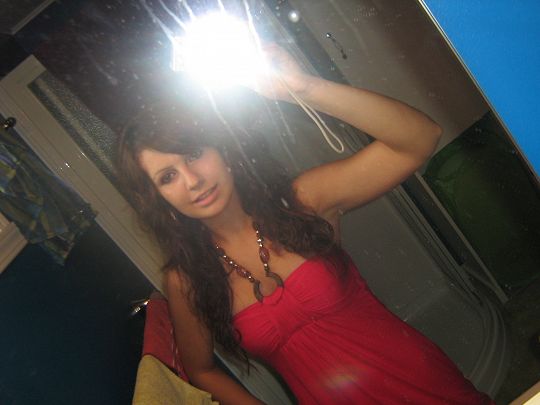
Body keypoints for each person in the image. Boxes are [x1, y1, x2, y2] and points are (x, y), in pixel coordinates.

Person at [116, 44, 494, 404]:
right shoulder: (187, 278)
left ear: (223, 152)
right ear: (160, 200)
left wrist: (303, 89)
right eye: (168, 177)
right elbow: (201, 369)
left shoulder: (300, 201)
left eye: (194, 154)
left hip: (424, 383)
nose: (192, 180)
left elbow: (420, 138)